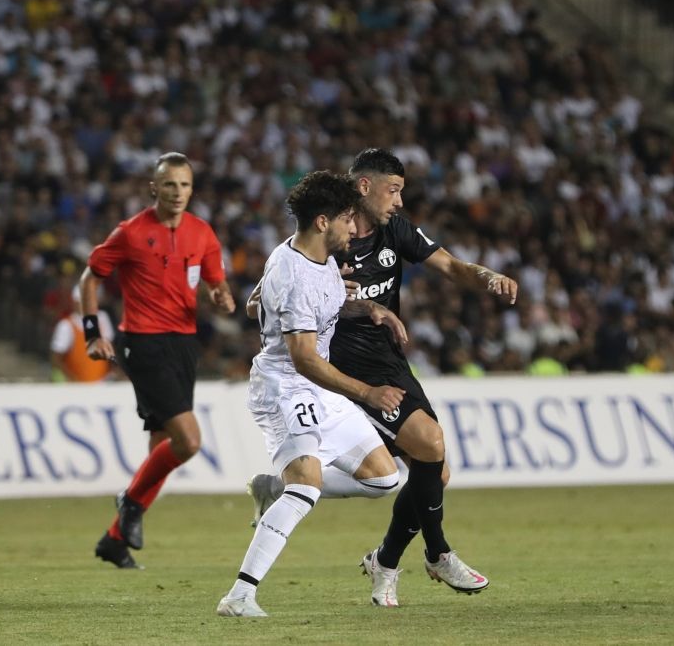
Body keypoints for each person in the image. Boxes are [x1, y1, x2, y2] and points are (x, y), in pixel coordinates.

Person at [247, 148, 518, 607]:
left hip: (388, 362)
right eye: (393, 190)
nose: (399, 201)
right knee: (429, 447)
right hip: (345, 368)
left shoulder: (395, 230)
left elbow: (452, 266)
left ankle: (385, 560)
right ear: (364, 187)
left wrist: (488, 276)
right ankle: (437, 553)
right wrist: (338, 295)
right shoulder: (326, 234)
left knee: (436, 472)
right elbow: (262, 300)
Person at [216, 170, 407, 618]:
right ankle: (239, 596)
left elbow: (253, 305)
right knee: (307, 487)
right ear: (323, 222)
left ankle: (278, 487)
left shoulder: (307, 257)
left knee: (384, 479)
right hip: (286, 386)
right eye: (346, 220)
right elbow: (303, 358)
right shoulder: (294, 272)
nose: (354, 229)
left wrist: (364, 306)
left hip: (317, 385)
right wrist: (369, 392)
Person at [81, 152, 235, 569]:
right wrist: (94, 333)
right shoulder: (131, 233)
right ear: (155, 188)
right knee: (188, 441)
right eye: (169, 184)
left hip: (183, 346)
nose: (178, 192)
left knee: (159, 451)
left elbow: (216, 286)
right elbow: (89, 278)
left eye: (185, 185)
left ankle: (115, 539)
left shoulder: (203, 233)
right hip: (142, 343)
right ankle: (129, 500)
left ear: (192, 189)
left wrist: (220, 297)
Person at [50, 285, 115, 382]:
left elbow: (111, 350)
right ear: (75, 302)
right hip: (77, 387)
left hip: (103, 384)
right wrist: (72, 380)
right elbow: (56, 359)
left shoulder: (103, 319)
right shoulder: (66, 326)